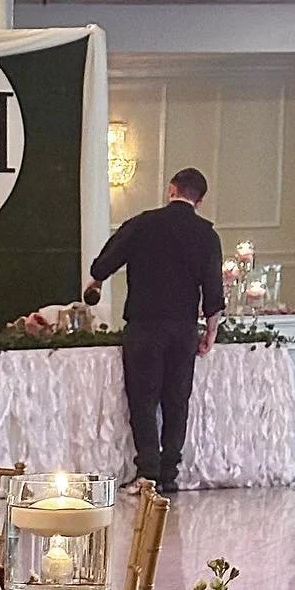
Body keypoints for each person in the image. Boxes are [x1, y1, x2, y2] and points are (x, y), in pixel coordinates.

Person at [83, 166, 224, 495]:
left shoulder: (143, 224)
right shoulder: (206, 235)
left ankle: (147, 472)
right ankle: (169, 474)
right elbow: (213, 292)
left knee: (144, 400)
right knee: (177, 400)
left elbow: (104, 264)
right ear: (199, 201)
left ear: (170, 189)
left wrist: (97, 279)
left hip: (145, 327)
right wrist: (210, 332)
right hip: (183, 329)